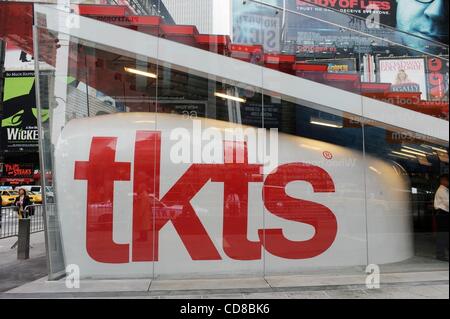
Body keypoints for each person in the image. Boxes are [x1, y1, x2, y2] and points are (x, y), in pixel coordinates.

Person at [434, 174, 449, 261]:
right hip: (443, 214)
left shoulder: (445, 190)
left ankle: (441, 254)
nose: (448, 182)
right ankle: (440, 255)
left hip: (444, 214)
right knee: (443, 235)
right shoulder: (442, 191)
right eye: (447, 180)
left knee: (445, 235)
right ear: (443, 181)